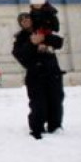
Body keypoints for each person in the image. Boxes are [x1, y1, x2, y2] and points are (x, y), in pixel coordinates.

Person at [11, 12, 65, 140]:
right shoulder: (20, 39)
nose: (26, 21)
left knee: (55, 101)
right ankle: (37, 128)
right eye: (22, 20)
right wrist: (32, 43)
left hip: (52, 73)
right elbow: (21, 55)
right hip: (35, 75)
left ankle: (55, 127)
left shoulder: (43, 30)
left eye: (27, 18)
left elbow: (59, 42)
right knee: (38, 104)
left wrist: (44, 41)